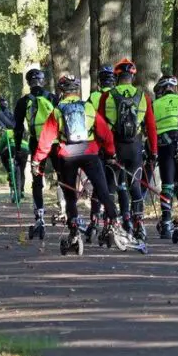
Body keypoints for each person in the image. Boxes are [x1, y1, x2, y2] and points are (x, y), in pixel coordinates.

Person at [33, 75, 130, 250]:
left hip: (67, 155)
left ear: (62, 91)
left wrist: (36, 161)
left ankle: (74, 231)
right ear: (77, 91)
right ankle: (115, 223)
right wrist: (111, 153)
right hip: (90, 153)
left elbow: (46, 139)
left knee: (70, 197)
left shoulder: (57, 110)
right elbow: (105, 134)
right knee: (102, 190)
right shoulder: (88, 108)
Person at [98, 58, 158, 240]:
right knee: (135, 185)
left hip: (114, 147)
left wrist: (100, 147)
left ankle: (109, 224)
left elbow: (99, 124)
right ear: (132, 76)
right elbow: (151, 126)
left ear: (116, 77)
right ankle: (138, 223)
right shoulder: (143, 97)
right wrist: (153, 151)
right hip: (135, 147)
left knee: (111, 185)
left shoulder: (107, 96)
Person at [14, 68, 59, 237]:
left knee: (37, 179)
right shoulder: (53, 98)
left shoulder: (23, 101)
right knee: (62, 176)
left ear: (28, 82)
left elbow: (18, 128)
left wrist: (18, 149)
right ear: (43, 81)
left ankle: (39, 216)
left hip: (36, 143)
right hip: (54, 142)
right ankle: (65, 208)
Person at [153, 75, 178, 238]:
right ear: (174, 88)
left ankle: (167, 224)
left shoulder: (155, 104)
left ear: (161, 89)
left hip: (165, 146)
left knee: (167, 186)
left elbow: (151, 128)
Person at [87, 65, 122, 240]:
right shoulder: (118, 96)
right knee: (112, 185)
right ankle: (111, 221)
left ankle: (93, 220)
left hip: (97, 146)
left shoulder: (93, 97)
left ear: (100, 81)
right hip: (117, 146)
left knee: (97, 185)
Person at [0, 96, 26, 203]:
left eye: (5, 101)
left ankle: (20, 190)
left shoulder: (10, 114)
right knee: (18, 167)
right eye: (2, 101)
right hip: (9, 139)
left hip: (11, 139)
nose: (4, 103)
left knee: (20, 168)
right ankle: (18, 187)